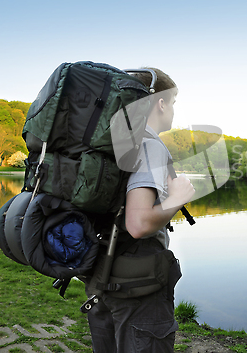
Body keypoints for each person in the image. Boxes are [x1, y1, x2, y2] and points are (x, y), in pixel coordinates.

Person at [86, 67, 195, 353]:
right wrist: (177, 197)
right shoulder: (149, 144)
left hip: (103, 275)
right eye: (173, 102)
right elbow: (138, 223)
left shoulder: (115, 142)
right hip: (138, 285)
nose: (173, 110)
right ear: (160, 103)